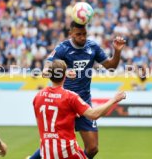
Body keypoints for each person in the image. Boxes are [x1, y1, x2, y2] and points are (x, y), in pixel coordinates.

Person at [29, 21, 125, 159]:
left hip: (83, 101)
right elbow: (45, 70)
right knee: (55, 142)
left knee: (92, 148)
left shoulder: (92, 47)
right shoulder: (62, 48)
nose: (82, 37)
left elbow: (111, 67)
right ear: (71, 34)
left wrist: (117, 51)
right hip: (64, 102)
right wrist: (65, 71)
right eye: (78, 34)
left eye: (84, 34)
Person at [33, 59, 126, 158]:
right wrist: (114, 99)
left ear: (50, 75)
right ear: (65, 76)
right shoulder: (70, 97)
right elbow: (93, 114)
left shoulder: (38, 97)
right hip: (68, 152)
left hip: (47, 154)